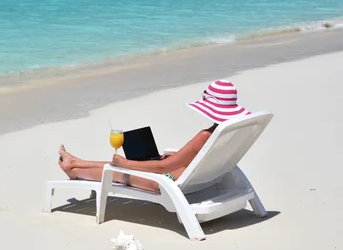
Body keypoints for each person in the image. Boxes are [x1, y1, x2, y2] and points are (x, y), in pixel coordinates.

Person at [58, 80, 251, 192]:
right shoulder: (232, 133)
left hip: (167, 180)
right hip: (192, 176)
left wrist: (127, 164)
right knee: (124, 163)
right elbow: (191, 160)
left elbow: (162, 166)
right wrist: (175, 159)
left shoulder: (205, 136)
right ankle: (76, 161)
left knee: (118, 171)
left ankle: (76, 171)